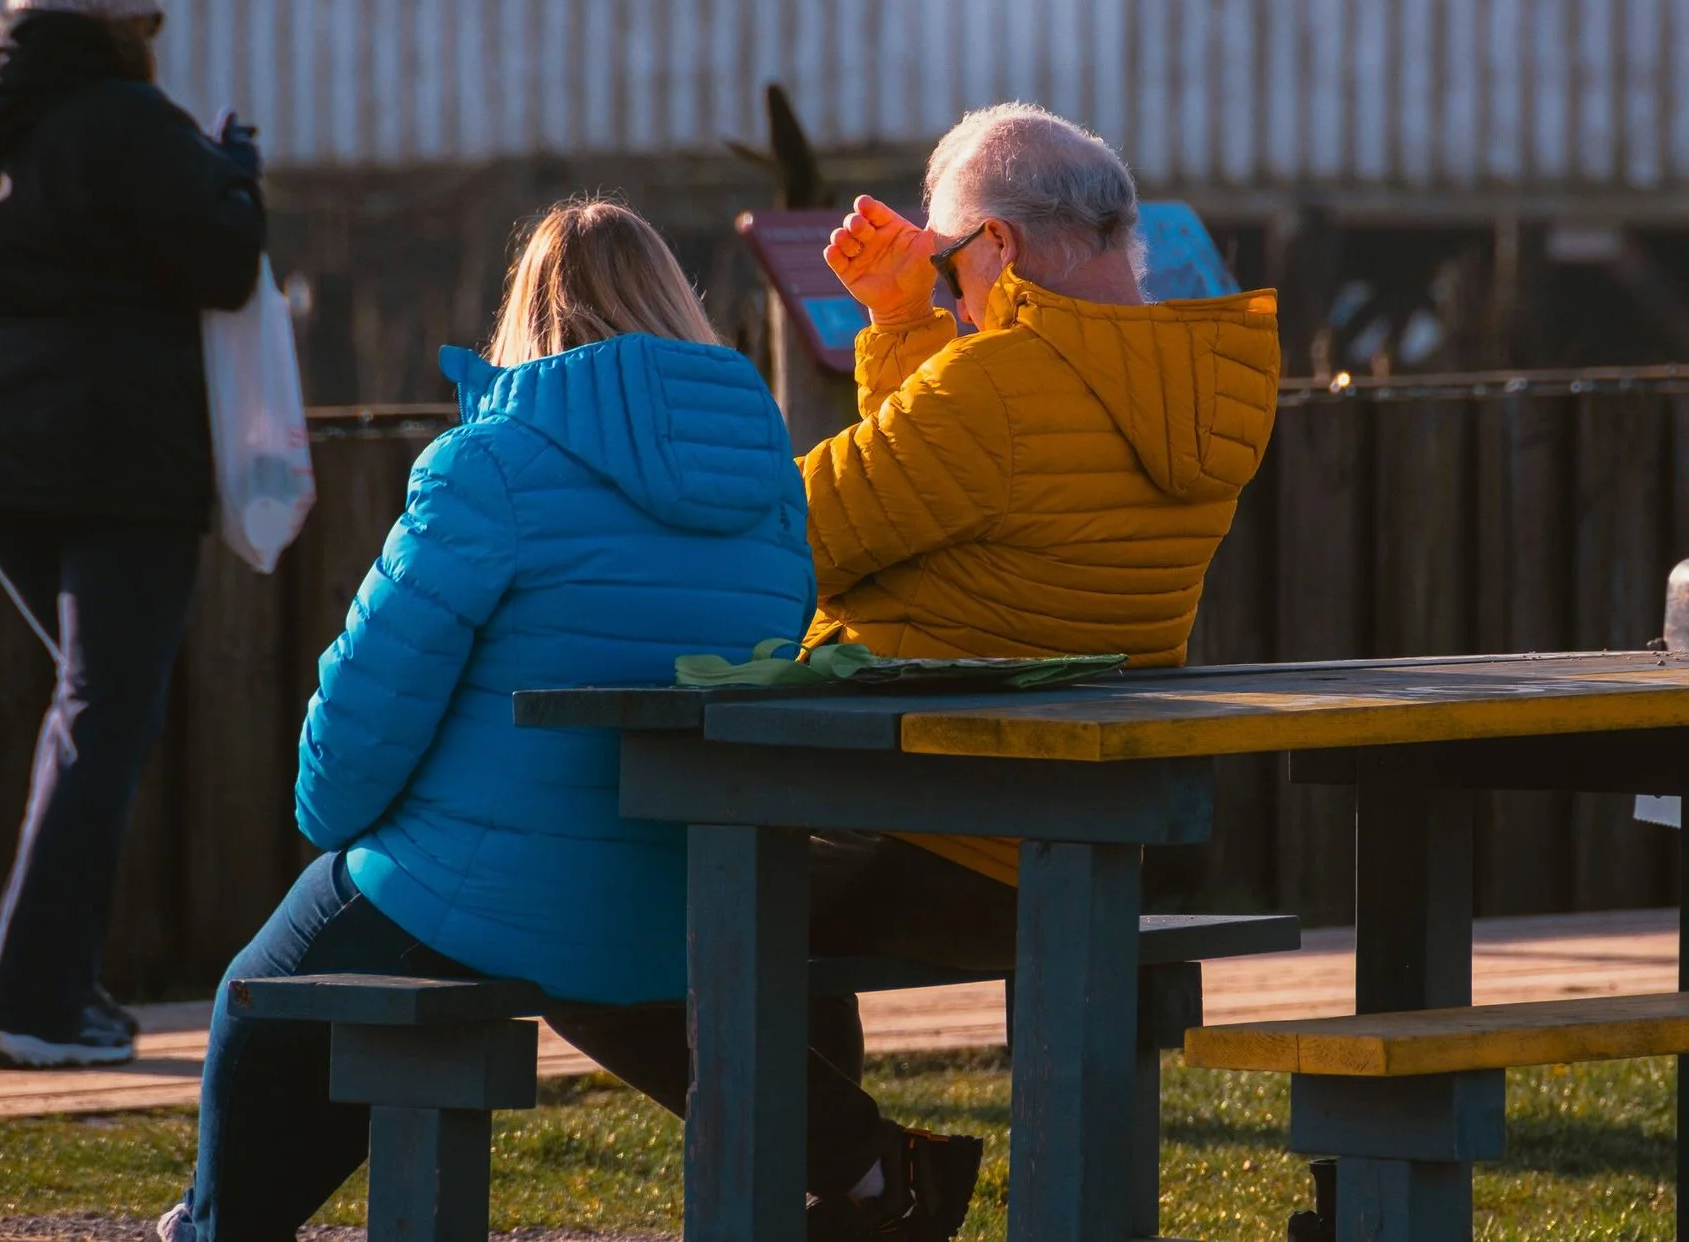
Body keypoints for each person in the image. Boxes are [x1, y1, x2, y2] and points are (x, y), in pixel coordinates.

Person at [164, 200, 982, 1242]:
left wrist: (347, 822)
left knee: (266, 988)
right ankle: (859, 1171)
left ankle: (215, 1227)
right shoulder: (773, 485)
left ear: (526, 313)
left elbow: (361, 718)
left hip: (487, 893)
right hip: (694, 896)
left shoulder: (486, 464)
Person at [0, 0, 266, 1069]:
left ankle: (50, 983)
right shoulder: (128, 116)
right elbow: (223, 263)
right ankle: (38, 997)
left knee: (88, 707)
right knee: (105, 710)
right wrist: (233, 180)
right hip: (111, 444)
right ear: (124, 12)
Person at [796, 102, 1280, 926]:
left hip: (926, 823)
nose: (958, 303)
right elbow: (936, 501)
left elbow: (790, 542)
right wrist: (904, 322)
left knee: (666, 884)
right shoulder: (1203, 387)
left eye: (948, 269)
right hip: (1085, 835)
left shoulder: (994, 387)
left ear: (999, 243)